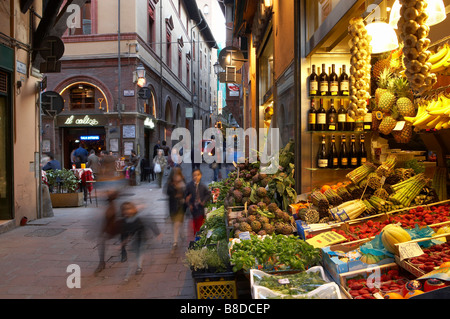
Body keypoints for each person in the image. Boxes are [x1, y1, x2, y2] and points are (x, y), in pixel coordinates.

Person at [120, 201, 161, 280]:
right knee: (132, 257)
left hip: (142, 238)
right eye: (125, 210)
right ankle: (129, 273)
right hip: (134, 240)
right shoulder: (125, 220)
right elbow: (125, 233)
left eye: (128, 209)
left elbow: (150, 223)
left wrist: (157, 233)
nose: (127, 212)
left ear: (133, 209)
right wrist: (123, 243)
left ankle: (139, 267)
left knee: (140, 253)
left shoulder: (138, 218)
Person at [95, 189, 122, 274]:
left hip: (114, 229)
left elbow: (107, 221)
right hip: (112, 229)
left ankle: (102, 262)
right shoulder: (111, 207)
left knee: (102, 241)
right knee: (101, 241)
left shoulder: (112, 208)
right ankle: (102, 262)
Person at [184, 169, 211, 237]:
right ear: (192, 176)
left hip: (200, 208)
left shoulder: (203, 186)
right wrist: (189, 204)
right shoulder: (189, 186)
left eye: (198, 175)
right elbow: (186, 196)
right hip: (192, 208)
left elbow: (208, 194)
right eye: (194, 175)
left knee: (200, 224)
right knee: (194, 223)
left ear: (201, 176)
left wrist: (203, 201)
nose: (196, 177)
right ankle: (196, 236)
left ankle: (199, 236)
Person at [166, 167, 186, 253]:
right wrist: (175, 187)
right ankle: (180, 233)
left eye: (177, 174)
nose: (176, 176)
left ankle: (175, 242)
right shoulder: (170, 184)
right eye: (174, 175)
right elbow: (167, 192)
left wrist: (180, 187)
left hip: (181, 206)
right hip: (173, 206)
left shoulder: (183, 181)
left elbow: (186, 192)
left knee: (177, 224)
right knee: (176, 223)